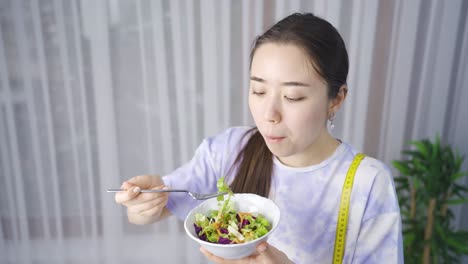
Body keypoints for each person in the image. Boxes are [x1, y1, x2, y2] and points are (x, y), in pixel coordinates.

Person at [114, 13, 403, 263]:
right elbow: (161, 204)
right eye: (259, 91)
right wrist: (144, 205)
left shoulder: (368, 183)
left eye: (293, 96)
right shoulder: (230, 150)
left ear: (336, 99)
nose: (269, 114)